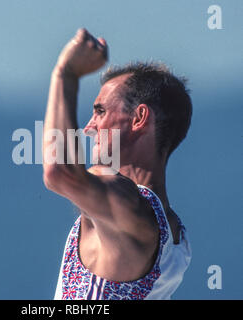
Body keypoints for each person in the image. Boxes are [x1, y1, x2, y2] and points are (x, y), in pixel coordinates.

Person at [43, 28, 192, 300]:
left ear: (139, 119)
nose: (88, 127)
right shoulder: (176, 237)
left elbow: (59, 172)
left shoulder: (130, 205)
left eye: (100, 111)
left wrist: (65, 74)